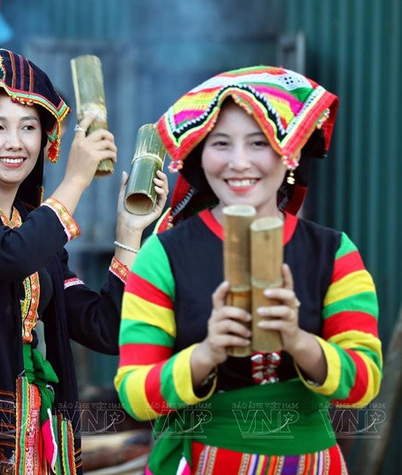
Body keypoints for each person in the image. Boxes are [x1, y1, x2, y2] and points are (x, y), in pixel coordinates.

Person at [0, 48, 168, 474]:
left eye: (29, 127)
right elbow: (10, 255)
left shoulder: (40, 238)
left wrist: (130, 230)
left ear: (44, 138)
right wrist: (76, 179)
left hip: (21, 416)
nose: (15, 143)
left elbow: (105, 328)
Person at [115, 66, 381, 474]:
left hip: (309, 464)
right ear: (200, 155)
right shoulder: (162, 255)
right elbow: (135, 394)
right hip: (202, 459)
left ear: (288, 152)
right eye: (221, 143)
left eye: (259, 143)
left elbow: (364, 384)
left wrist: (297, 339)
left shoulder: (333, 253)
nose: (239, 163)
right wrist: (207, 353)